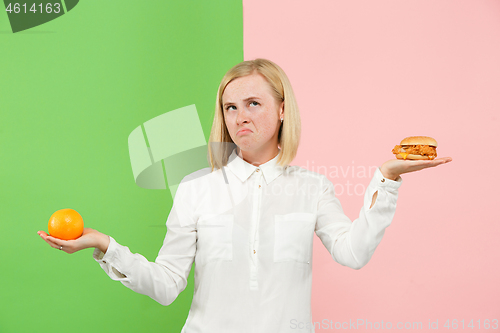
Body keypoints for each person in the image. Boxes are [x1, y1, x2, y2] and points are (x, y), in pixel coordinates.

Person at [38, 58, 452, 332]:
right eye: (230, 107)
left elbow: (353, 253)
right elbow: (166, 286)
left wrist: (388, 178)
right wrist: (104, 245)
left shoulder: (312, 188)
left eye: (253, 103)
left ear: (283, 109)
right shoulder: (196, 188)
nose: (240, 117)